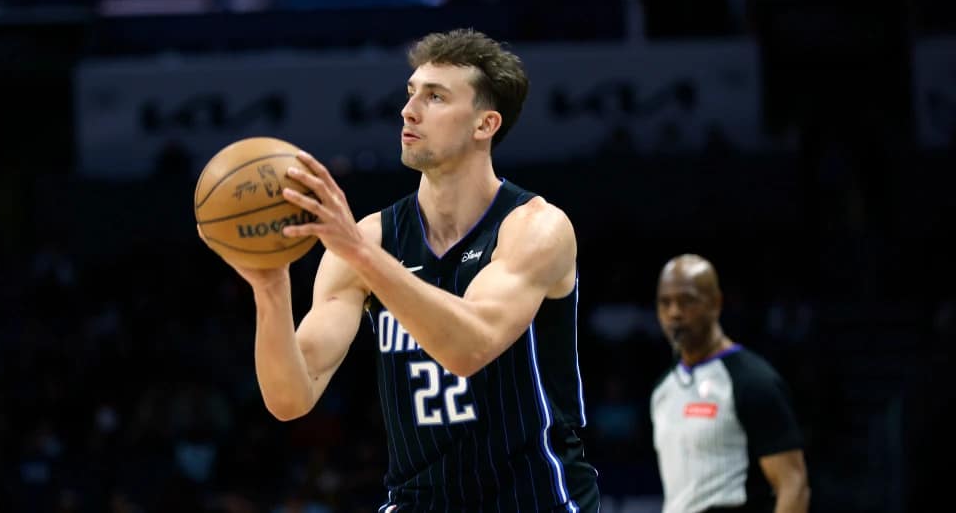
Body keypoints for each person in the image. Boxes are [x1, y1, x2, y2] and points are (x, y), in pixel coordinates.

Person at [201, 29, 599, 511]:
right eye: (411, 93)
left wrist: (361, 255)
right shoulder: (370, 237)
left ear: (485, 124)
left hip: (535, 499)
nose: (409, 110)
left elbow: (469, 348)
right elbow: (290, 398)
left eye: (435, 97)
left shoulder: (536, 228)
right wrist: (270, 285)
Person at [650, 254, 809, 513]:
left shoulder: (753, 381)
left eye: (687, 301)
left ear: (716, 303)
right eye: (665, 303)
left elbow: (794, 485)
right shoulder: (663, 390)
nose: (674, 313)